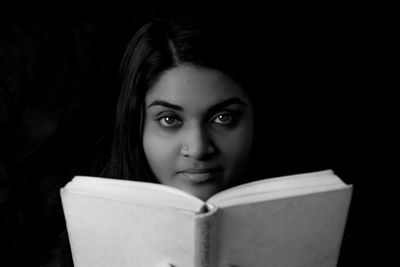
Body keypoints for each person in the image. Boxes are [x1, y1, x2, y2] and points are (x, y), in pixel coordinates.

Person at [43, 13, 272, 267]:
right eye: (169, 120)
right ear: (136, 126)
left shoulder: (316, 229)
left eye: (223, 117)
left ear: (256, 118)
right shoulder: (76, 251)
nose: (197, 149)